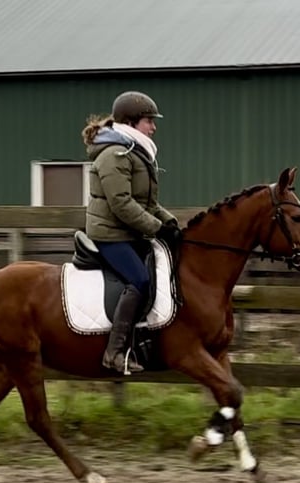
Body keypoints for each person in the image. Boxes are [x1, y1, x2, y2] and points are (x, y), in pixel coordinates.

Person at [81, 91, 182, 374]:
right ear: (132, 122)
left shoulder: (135, 152)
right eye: (149, 120)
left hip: (128, 232)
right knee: (139, 280)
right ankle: (114, 353)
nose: (154, 126)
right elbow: (121, 204)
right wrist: (157, 228)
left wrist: (170, 223)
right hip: (110, 234)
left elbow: (146, 203)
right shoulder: (115, 155)